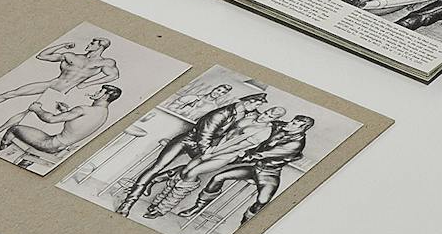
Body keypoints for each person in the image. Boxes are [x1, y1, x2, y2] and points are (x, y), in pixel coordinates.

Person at [115, 90, 267, 217]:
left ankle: (155, 183)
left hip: (204, 149)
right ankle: (128, 202)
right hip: (188, 141)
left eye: (258, 105)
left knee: (191, 172)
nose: (256, 107)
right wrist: (207, 152)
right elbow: (205, 134)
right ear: (247, 101)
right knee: (157, 166)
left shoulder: (245, 115)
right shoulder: (223, 113)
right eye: (255, 103)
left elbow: (255, 124)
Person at [0, 36, 118, 130]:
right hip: (52, 83)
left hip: (61, 92)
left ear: (100, 46)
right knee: (11, 93)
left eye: (92, 43)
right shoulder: (72, 55)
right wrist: (61, 45)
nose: (88, 45)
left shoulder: (105, 62)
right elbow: (42, 56)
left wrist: (87, 84)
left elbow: (113, 76)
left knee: (29, 111)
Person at [176, 113, 313, 221]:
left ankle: (244, 226)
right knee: (218, 177)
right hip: (254, 168)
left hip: (269, 174)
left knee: (262, 201)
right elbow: (262, 121)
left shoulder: (295, 144)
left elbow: (262, 154)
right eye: (292, 121)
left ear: (301, 128)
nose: (289, 123)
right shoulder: (281, 126)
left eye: (294, 124)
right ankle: (197, 207)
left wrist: (241, 156)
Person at [0, 83, 121, 168]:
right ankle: (25, 163)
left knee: (14, 129)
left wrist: (37, 109)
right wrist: (66, 112)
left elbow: (50, 119)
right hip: (61, 147)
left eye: (100, 91)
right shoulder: (103, 113)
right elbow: (79, 124)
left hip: (50, 144)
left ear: (105, 96)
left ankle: (1, 151)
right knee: (41, 138)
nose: (96, 92)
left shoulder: (83, 109)